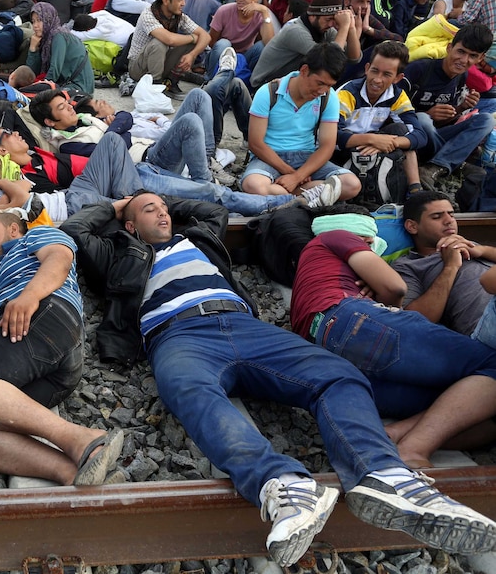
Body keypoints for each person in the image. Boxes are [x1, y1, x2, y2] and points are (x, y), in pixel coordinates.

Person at [61, 191, 496, 567]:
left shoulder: (199, 238)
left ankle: (384, 475)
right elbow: (77, 230)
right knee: (188, 390)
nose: (163, 215)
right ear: (130, 224)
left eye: (164, 209)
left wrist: (155, 204)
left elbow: (210, 208)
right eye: (150, 211)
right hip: (177, 334)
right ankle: (281, 484)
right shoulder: (117, 252)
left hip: (245, 325)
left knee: (336, 375)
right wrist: (120, 207)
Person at [289, 205, 496, 470]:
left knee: (480, 411)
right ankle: (413, 448)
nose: (373, 245)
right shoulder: (336, 236)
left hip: (333, 347)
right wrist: (382, 288)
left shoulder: (315, 274)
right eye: (370, 240)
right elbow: (395, 287)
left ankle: (394, 434)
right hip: (351, 319)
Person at [0, 211, 125, 487]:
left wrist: (28, 297)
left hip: (44, 318)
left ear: (14, 228)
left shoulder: (31, 238)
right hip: (50, 370)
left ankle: (80, 438)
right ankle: (74, 474)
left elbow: (59, 258)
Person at [0, 126, 340, 218]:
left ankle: (144, 195)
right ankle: (284, 206)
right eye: (8, 135)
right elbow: (16, 200)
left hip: (130, 172)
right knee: (212, 195)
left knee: (192, 113)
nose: (16, 134)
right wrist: (6, 177)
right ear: (1, 150)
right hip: (110, 187)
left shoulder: (46, 154)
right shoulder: (14, 171)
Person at [29, 86, 238, 187]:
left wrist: (116, 133)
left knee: (198, 96)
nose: (70, 108)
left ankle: (207, 158)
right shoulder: (69, 146)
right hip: (149, 161)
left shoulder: (84, 118)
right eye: (62, 108)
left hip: (152, 146)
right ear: (50, 121)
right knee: (190, 121)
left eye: (67, 104)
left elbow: (125, 117)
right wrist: (117, 133)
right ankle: (204, 182)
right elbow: (111, 148)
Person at [243, 43, 361, 200]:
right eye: (319, 83)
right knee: (253, 185)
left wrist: (298, 176)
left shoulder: (328, 97)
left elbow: (327, 145)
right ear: (304, 70)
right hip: (269, 157)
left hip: (307, 158)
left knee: (352, 184)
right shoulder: (268, 92)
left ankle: (284, 195)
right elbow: (256, 143)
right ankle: (309, 194)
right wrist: (291, 173)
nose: (322, 91)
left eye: (329, 85)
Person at [400, 24, 496, 192]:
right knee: (424, 120)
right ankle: (455, 163)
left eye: (472, 56)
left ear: (480, 58)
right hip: (412, 138)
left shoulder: (461, 76)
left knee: (486, 120)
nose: (464, 60)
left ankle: (435, 167)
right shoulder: (420, 69)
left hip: (435, 137)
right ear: (449, 47)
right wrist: (426, 114)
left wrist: (461, 108)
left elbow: (446, 120)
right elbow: (389, 112)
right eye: (461, 51)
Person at [391, 191, 495, 336]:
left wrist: (482, 250)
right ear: (412, 226)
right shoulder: (408, 265)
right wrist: (450, 267)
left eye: (451, 214)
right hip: (484, 325)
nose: (449, 220)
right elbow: (414, 319)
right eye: (437, 217)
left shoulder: (470, 245)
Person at [335, 40, 425, 196]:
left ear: (398, 78)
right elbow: (332, 135)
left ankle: (415, 191)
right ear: (367, 68)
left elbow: (420, 135)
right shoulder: (348, 93)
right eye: (374, 71)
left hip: (373, 146)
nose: (377, 79)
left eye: (387, 74)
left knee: (402, 131)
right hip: (342, 148)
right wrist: (371, 139)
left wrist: (387, 142)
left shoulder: (397, 95)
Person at [250, 0, 360, 90]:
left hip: (287, 84)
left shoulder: (325, 30)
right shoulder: (295, 31)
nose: (331, 24)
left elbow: (354, 59)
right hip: (264, 86)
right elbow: (329, 62)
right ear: (313, 16)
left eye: (334, 20)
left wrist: (351, 28)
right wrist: (344, 27)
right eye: (328, 19)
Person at [128, 0, 211, 100]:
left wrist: (192, 55)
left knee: (193, 44)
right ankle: (155, 86)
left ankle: (171, 83)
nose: (184, 3)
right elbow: (169, 39)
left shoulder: (179, 17)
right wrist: (193, 38)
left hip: (160, 62)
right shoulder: (148, 15)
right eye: (179, 0)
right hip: (138, 68)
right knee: (159, 43)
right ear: (166, 1)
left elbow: (206, 36)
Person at [26, 2, 94, 96]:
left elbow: (55, 70)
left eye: (39, 20)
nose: (35, 25)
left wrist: (40, 88)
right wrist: (33, 49)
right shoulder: (46, 39)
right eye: (33, 21)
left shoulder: (59, 36)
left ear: (48, 19)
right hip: (66, 83)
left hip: (79, 87)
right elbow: (32, 72)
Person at [206, 0, 274, 75]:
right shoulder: (224, 10)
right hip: (223, 56)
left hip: (243, 57)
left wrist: (265, 11)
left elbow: (269, 43)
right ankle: (211, 78)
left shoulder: (260, 16)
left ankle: (246, 80)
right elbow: (211, 41)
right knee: (224, 43)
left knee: (261, 46)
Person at [70, 11, 134, 48]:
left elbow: (72, 35)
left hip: (129, 46)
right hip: (133, 32)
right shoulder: (103, 13)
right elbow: (89, 16)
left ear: (88, 29)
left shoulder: (99, 31)